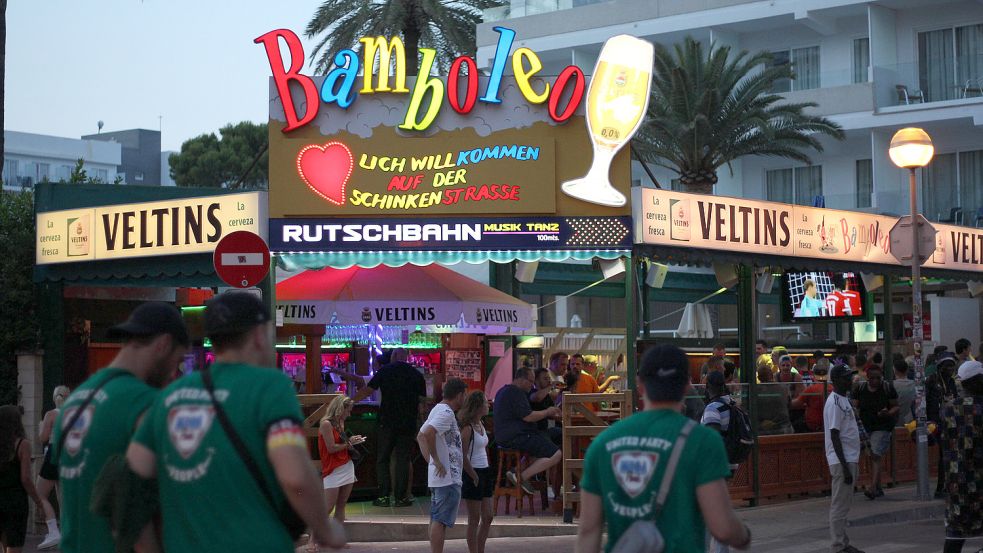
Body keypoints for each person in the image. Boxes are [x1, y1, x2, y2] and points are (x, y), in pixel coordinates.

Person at [126, 292, 344, 552]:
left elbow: (132, 487)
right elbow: (295, 475)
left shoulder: (169, 397)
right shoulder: (270, 387)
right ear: (258, 336)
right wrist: (324, 528)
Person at [576, 344, 751, 553]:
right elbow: (722, 528)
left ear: (640, 385)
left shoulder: (603, 444)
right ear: (687, 385)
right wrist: (744, 536)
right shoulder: (702, 441)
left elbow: (588, 531)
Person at [53, 302, 189, 553]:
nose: (174, 373)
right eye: (177, 361)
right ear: (163, 345)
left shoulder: (73, 404)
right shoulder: (145, 404)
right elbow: (138, 514)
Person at [353, 347, 426, 508]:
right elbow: (422, 401)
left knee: (383, 459)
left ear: (393, 357)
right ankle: (401, 498)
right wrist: (420, 421)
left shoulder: (385, 371)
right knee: (403, 459)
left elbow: (368, 390)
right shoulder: (416, 374)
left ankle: (384, 496)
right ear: (407, 358)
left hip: (386, 421)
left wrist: (350, 402)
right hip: (408, 423)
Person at [308, 395, 364, 552]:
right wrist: (349, 443)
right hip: (333, 468)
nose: (349, 414)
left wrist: (350, 441)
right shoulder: (326, 424)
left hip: (345, 465)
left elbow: (340, 444)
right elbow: (331, 448)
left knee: (341, 505)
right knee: (327, 506)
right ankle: (312, 540)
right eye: (348, 410)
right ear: (341, 409)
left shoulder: (340, 422)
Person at [417, 378, 468, 553]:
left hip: (442, 476)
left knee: (436, 518)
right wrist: (436, 460)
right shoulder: (446, 413)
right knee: (440, 520)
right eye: (464, 395)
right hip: (447, 478)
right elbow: (428, 433)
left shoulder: (438, 409)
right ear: (460, 395)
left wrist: (431, 461)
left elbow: (421, 435)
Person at [493, 367, 561, 494]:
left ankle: (516, 472)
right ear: (521, 379)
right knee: (556, 454)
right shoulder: (516, 392)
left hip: (505, 436)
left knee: (548, 438)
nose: (532, 385)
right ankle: (521, 477)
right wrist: (547, 412)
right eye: (530, 381)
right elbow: (528, 417)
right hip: (517, 436)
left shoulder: (503, 390)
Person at [939, 360, 983, 553]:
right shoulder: (980, 407)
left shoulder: (949, 409)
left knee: (955, 531)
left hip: (956, 480)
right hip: (979, 478)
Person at [825, 363, 864, 553]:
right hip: (842, 461)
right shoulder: (834, 402)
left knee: (844, 503)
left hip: (849, 458)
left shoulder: (843, 399)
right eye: (847, 377)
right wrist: (845, 466)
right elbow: (834, 435)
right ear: (836, 380)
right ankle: (837, 546)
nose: (851, 380)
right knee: (839, 505)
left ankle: (843, 541)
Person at [701, 371, 741, 553]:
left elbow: (712, 438)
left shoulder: (712, 408)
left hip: (713, 468)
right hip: (730, 463)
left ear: (708, 386)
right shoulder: (730, 402)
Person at [0, 405, 46, 553]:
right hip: (15, 501)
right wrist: (39, 502)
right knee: (14, 546)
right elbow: (25, 478)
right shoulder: (22, 444)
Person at [851, 366, 898, 500]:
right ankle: (877, 487)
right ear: (867, 377)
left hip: (882, 426)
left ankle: (872, 487)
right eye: (873, 378)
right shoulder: (860, 389)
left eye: (878, 378)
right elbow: (855, 406)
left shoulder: (887, 388)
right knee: (871, 455)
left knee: (875, 453)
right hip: (866, 427)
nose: (876, 381)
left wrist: (888, 413)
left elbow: (895, 405)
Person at [458, 391, 493, 553]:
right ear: (478, 407)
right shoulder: (467, 429)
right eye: (485, 403)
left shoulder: (481, 425)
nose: (488, 405)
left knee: (488, 516)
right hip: (473, 472)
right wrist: (473, 475)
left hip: (485, 471)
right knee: (474, 518)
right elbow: (462, 456)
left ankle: (481, 549)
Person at [35, 385, 70, 550]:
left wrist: (41, 427)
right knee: (63, 499)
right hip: (68, 456)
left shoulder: (51, 415)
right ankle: (66, 535)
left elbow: (42, 438)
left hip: (53, 453)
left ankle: (53, 530)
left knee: (39, 493)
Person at [927, 352, 960, 498]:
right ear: (940, 367)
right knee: (943, 455)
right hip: (937, 422)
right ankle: (941, 487)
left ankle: (946, 485)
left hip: (950, 421)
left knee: (948, 455)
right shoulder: (932, 381)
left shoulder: (951, 382)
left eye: (952, 366)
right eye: (948, 366)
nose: (951, 369)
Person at [791, 362, 830, 432]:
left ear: (814, 375)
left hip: (814, 426)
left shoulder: (812, 389)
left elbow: (796, 403)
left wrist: (785, 400)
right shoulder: (832, 388)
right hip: (828, 424)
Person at [756, 365, 793, 435]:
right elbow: (789, 405)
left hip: (760, 431)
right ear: (772, 375)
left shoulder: (754, 390)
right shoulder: (784, 388)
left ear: (758, 378)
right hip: (784, 429)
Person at [529, 368, 562, 445]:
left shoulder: (546, 395)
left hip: (545, 430)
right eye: (545, 378)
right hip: (533, 432)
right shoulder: (531, 392)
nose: (548, 381)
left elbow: (553, 414)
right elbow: (537, 398)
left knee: (564, 432)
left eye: (549, 378)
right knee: (561, 433)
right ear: (536, 381)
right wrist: (551, 386)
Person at [892, 355, 916, 427]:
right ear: (907, 370)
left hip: (894, 421)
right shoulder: (914, 385)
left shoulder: (891, 385)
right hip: (909, 421)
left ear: (894, 370)